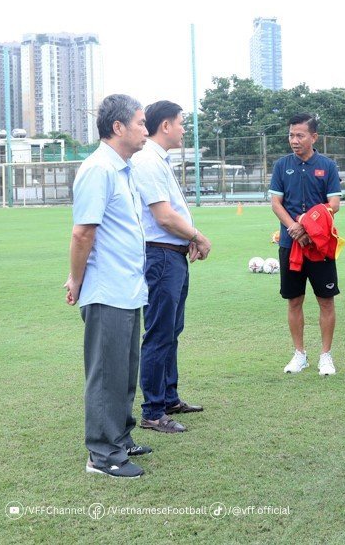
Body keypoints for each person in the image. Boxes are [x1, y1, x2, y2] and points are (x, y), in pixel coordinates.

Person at [64, 94, 150, 479]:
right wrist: (76, 280)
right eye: (141, 123)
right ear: (118, 128)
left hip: (128, 289)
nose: (145, 130)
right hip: (107, 290)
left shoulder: (123, 170)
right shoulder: (99, 169)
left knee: (124, 369)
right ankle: (103, 455)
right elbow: (83, 232)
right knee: (106, 373)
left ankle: (120, 437)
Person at [131, 101, 212, 435]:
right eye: (180, 123)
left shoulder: (158, 159)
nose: (183, 129)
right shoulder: (147, 160)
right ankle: (152, 411)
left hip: (172, 255)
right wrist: (197, 236)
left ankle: (168, 398)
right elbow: (163, 216)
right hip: (160, 256)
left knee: (171, 330)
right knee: (160, 333)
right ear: (165, 125)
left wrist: (187, 238)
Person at [269, 114, 342, 377]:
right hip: (291, 243)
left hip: (319, 245)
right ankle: (299, 354)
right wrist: (294, 227)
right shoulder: (281, 165)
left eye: (300, 135)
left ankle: (326, 355)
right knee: (294, 301)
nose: (294, 140)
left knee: (326, 301)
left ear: (314, 137)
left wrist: (306, 224)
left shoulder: (327, 166)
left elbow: (333, 204)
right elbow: (276, 203)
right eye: (291, 135)